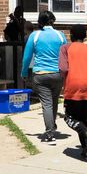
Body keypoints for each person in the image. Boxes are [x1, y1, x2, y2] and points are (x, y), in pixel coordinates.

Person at [22, 11, 67, 140]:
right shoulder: (60, 35)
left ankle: (49, 132)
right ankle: (52, 125)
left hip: (40, 74)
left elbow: (27, 57)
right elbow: (65, 56)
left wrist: (24, 72)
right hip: (57, 74)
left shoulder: (34, 36)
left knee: (46, 103)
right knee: (53, 101)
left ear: (39, 22)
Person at [60, 24, 87, 162]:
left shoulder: (65, 48)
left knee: (69, 118)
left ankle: (85, 132)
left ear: (71, 35)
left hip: (74, 85)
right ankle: (86, 150)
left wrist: (62, 84)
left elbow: (63, 68)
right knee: (83, 118)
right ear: (84, 36)